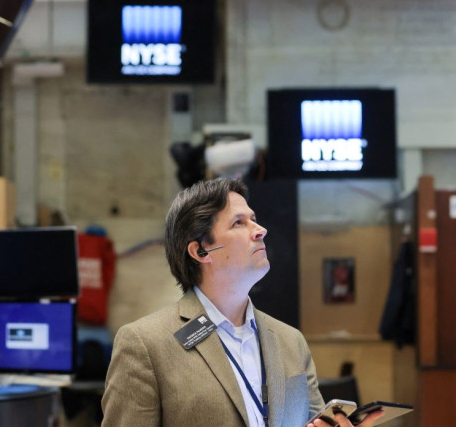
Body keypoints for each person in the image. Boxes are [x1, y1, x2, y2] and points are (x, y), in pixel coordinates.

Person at [102, 178, 384, 427]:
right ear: (201, 251)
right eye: (239, 222)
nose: (260, 229)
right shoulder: (144, 344)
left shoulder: (290, 341)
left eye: (254, 218)